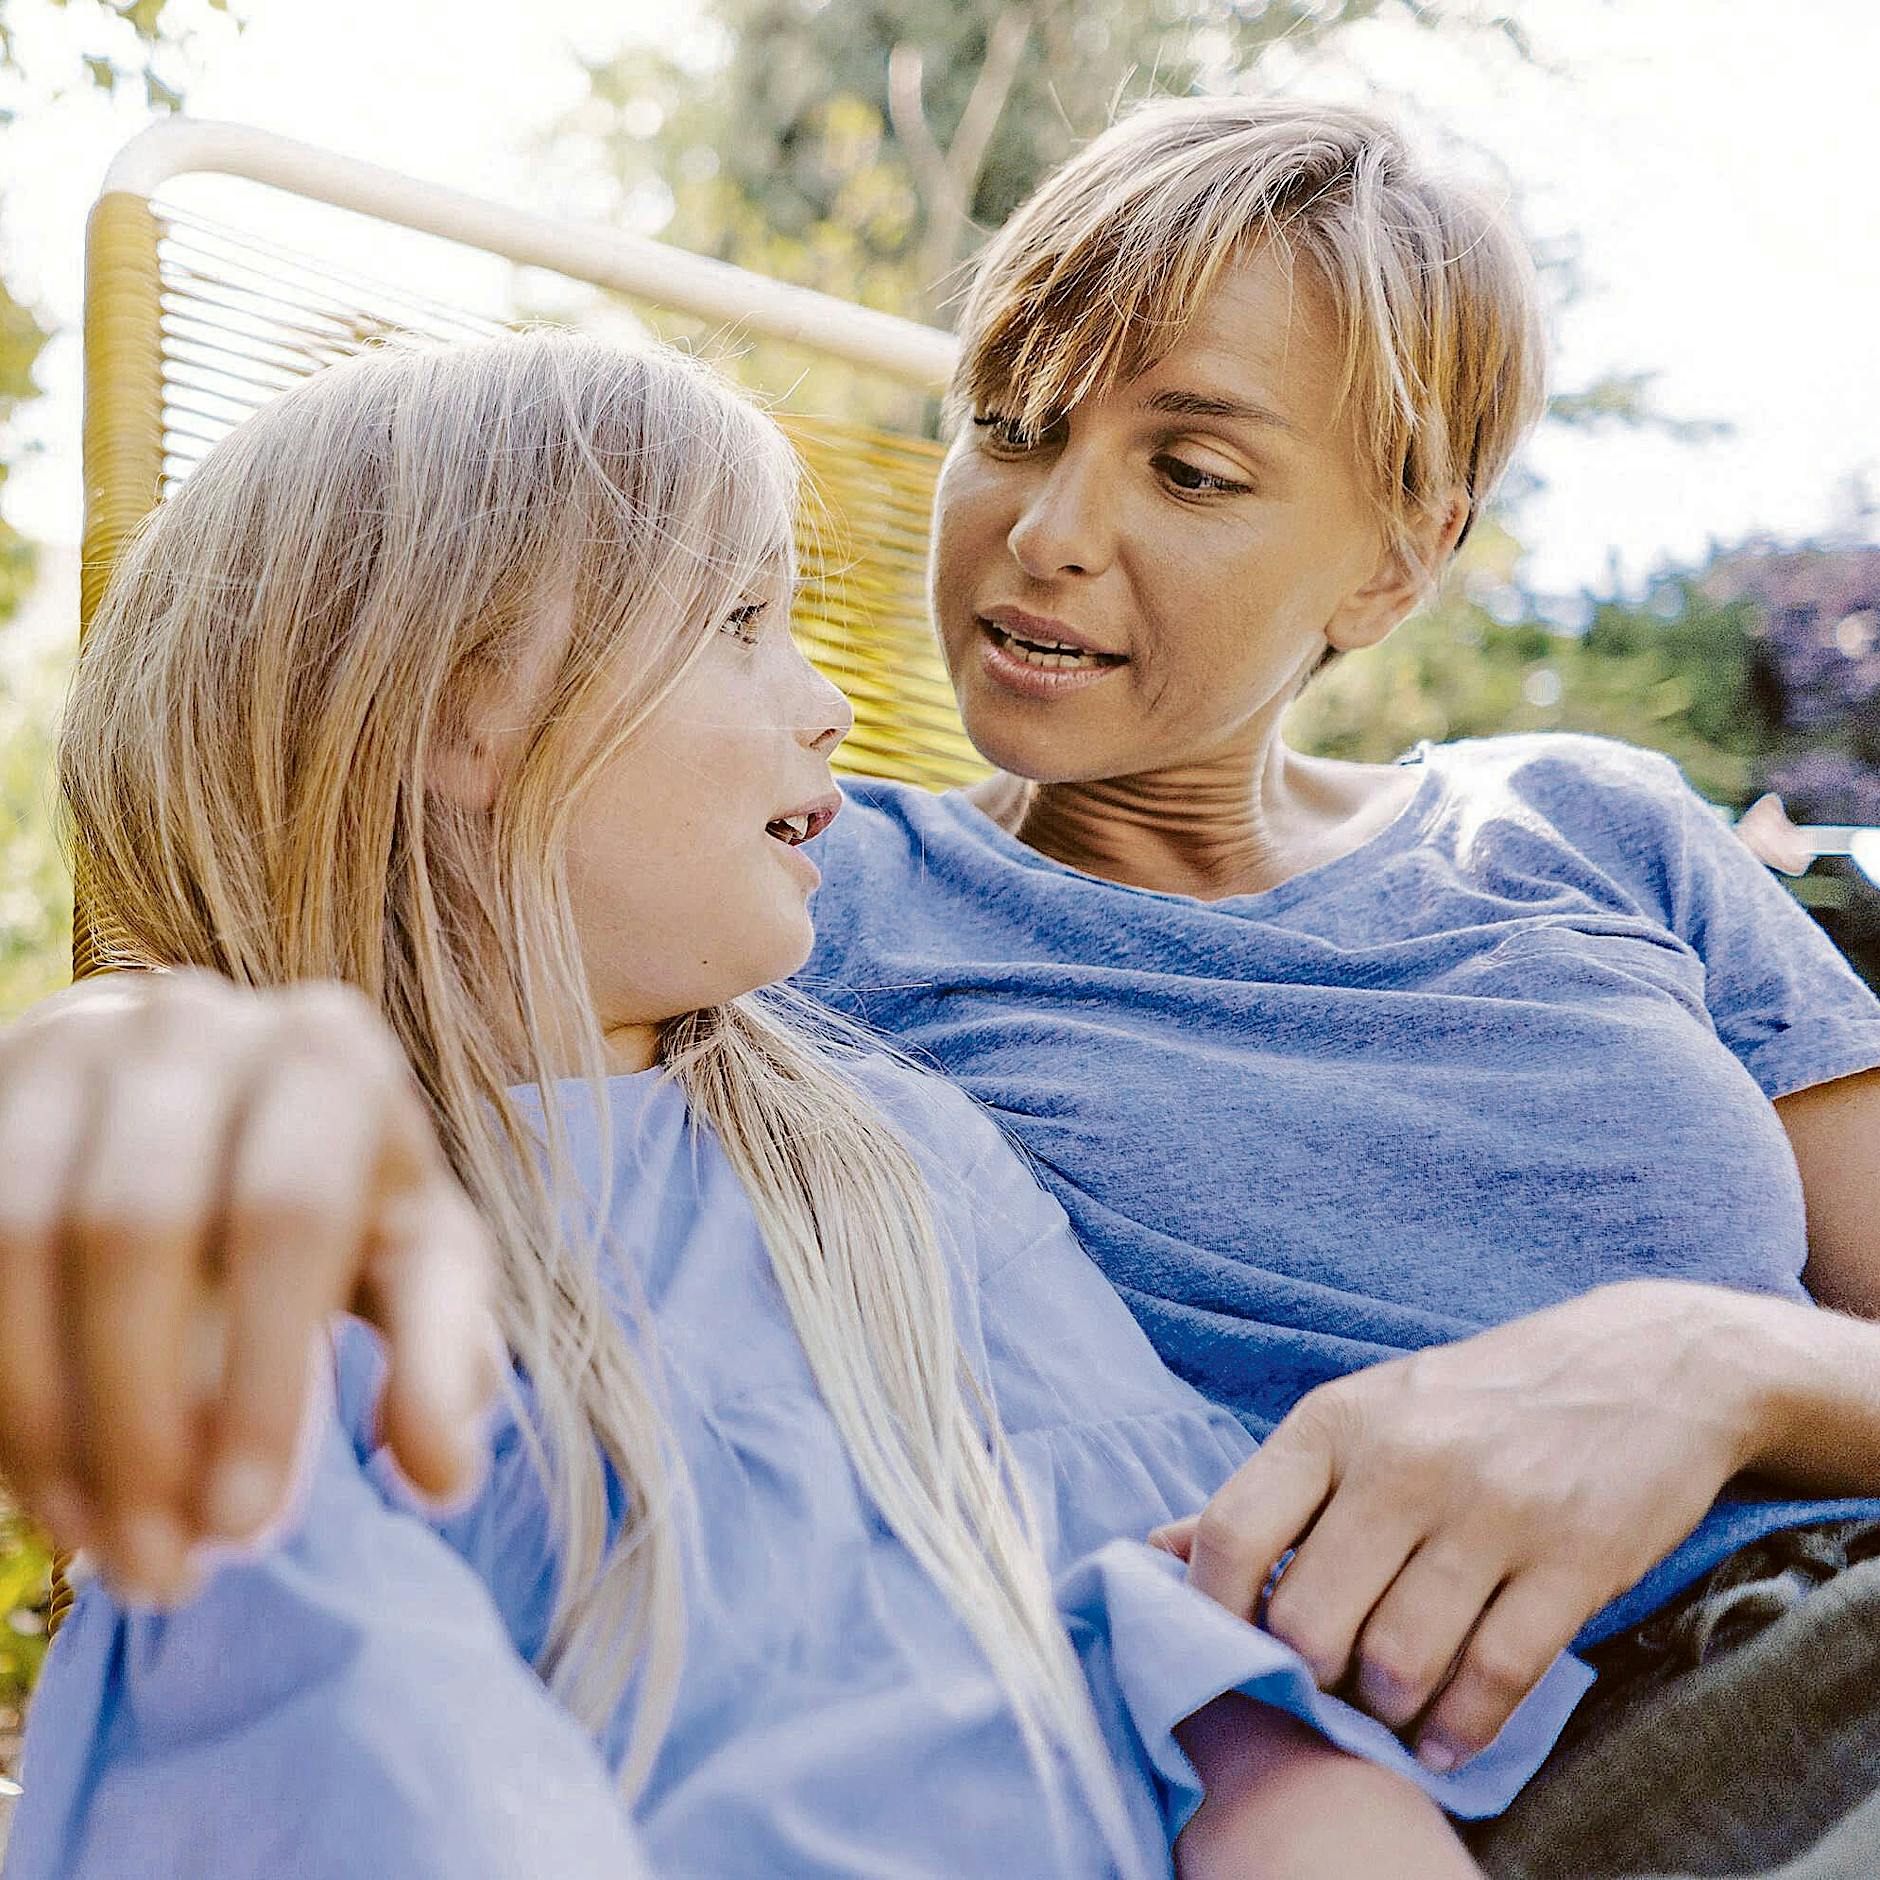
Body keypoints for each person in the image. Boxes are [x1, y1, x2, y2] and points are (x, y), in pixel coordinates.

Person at [5, 93, 1879, 1876]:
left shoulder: (1594, 827)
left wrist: (1726, 1365)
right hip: (1544, 1757)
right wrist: (107, 1054)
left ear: (1402, 559)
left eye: (1191, 464)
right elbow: (375, 952)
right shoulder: (801, 896)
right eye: (1008, 420)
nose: (1045, 528)